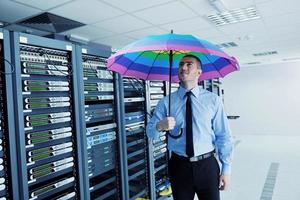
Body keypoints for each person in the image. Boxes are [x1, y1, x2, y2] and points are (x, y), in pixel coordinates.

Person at [146, 55, 233, 200]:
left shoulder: (213, 100)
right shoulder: (166, 102)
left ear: (199, 72)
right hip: (179, 166)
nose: (183, 68)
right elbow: (150, 132)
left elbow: (223, 135)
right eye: (181, 65)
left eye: (189, 64)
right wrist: (159, 125)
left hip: (207, 165)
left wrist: (226, 169)